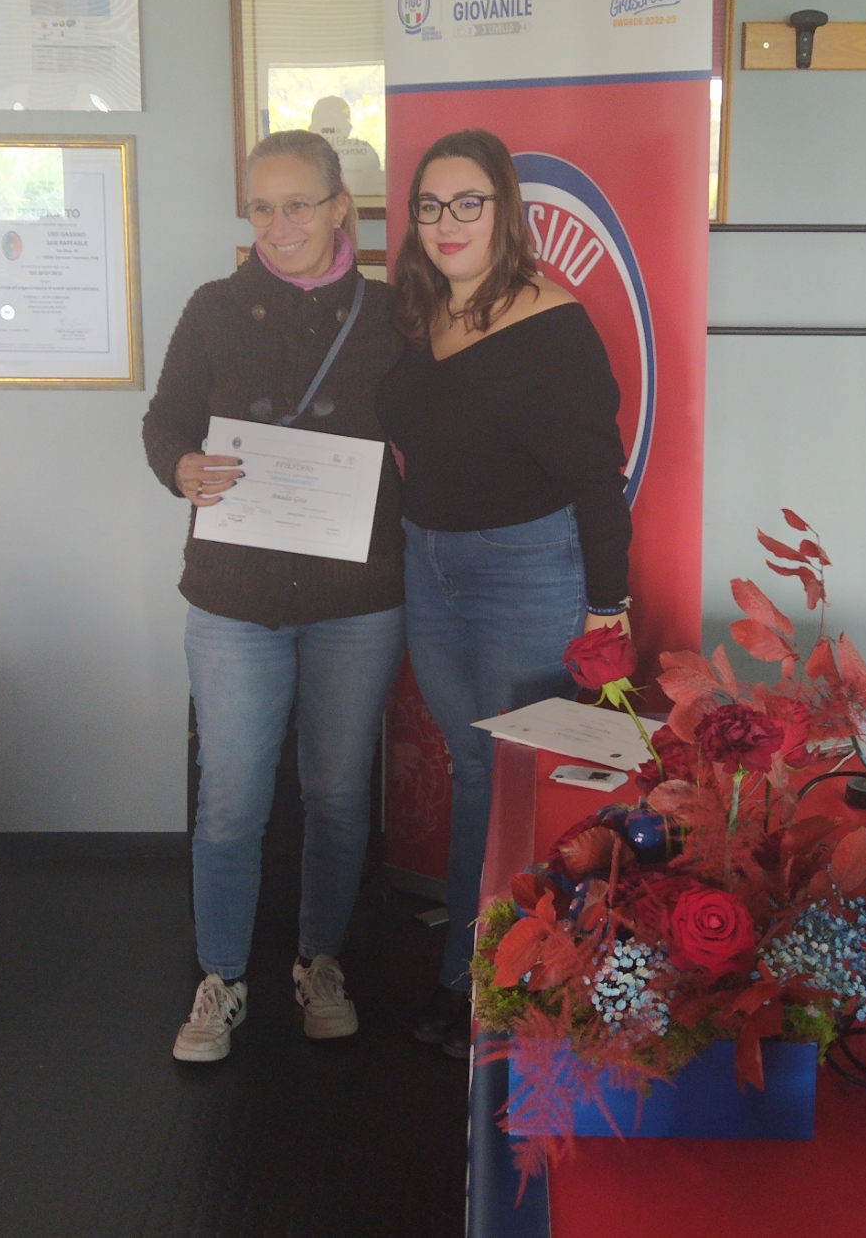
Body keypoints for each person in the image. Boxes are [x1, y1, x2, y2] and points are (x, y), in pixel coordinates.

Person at [143, 130, 405, 1063]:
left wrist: (414, 463)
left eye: (298, 204)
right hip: (234, 596)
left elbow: (437, 430)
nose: (278, 223)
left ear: (340, 208)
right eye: (262, 206)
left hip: (355, 597)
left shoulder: (393, 315)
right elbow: (164, 422)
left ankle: (318, 960)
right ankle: (220, 974)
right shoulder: (214, 307)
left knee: (337, 792)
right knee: (231, 797)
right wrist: (181, 467)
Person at [376, 129, 632, 1058]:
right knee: (474, 771)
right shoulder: (417, 314)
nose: (447, 222)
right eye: (429, 205)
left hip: (526, 571)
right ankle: (470, 974)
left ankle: (516, 994)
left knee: (522, 785)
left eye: (467, 203)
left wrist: (607, 607)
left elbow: (598, 481)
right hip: (430, 565)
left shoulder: (551, 326)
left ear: (504, 212)